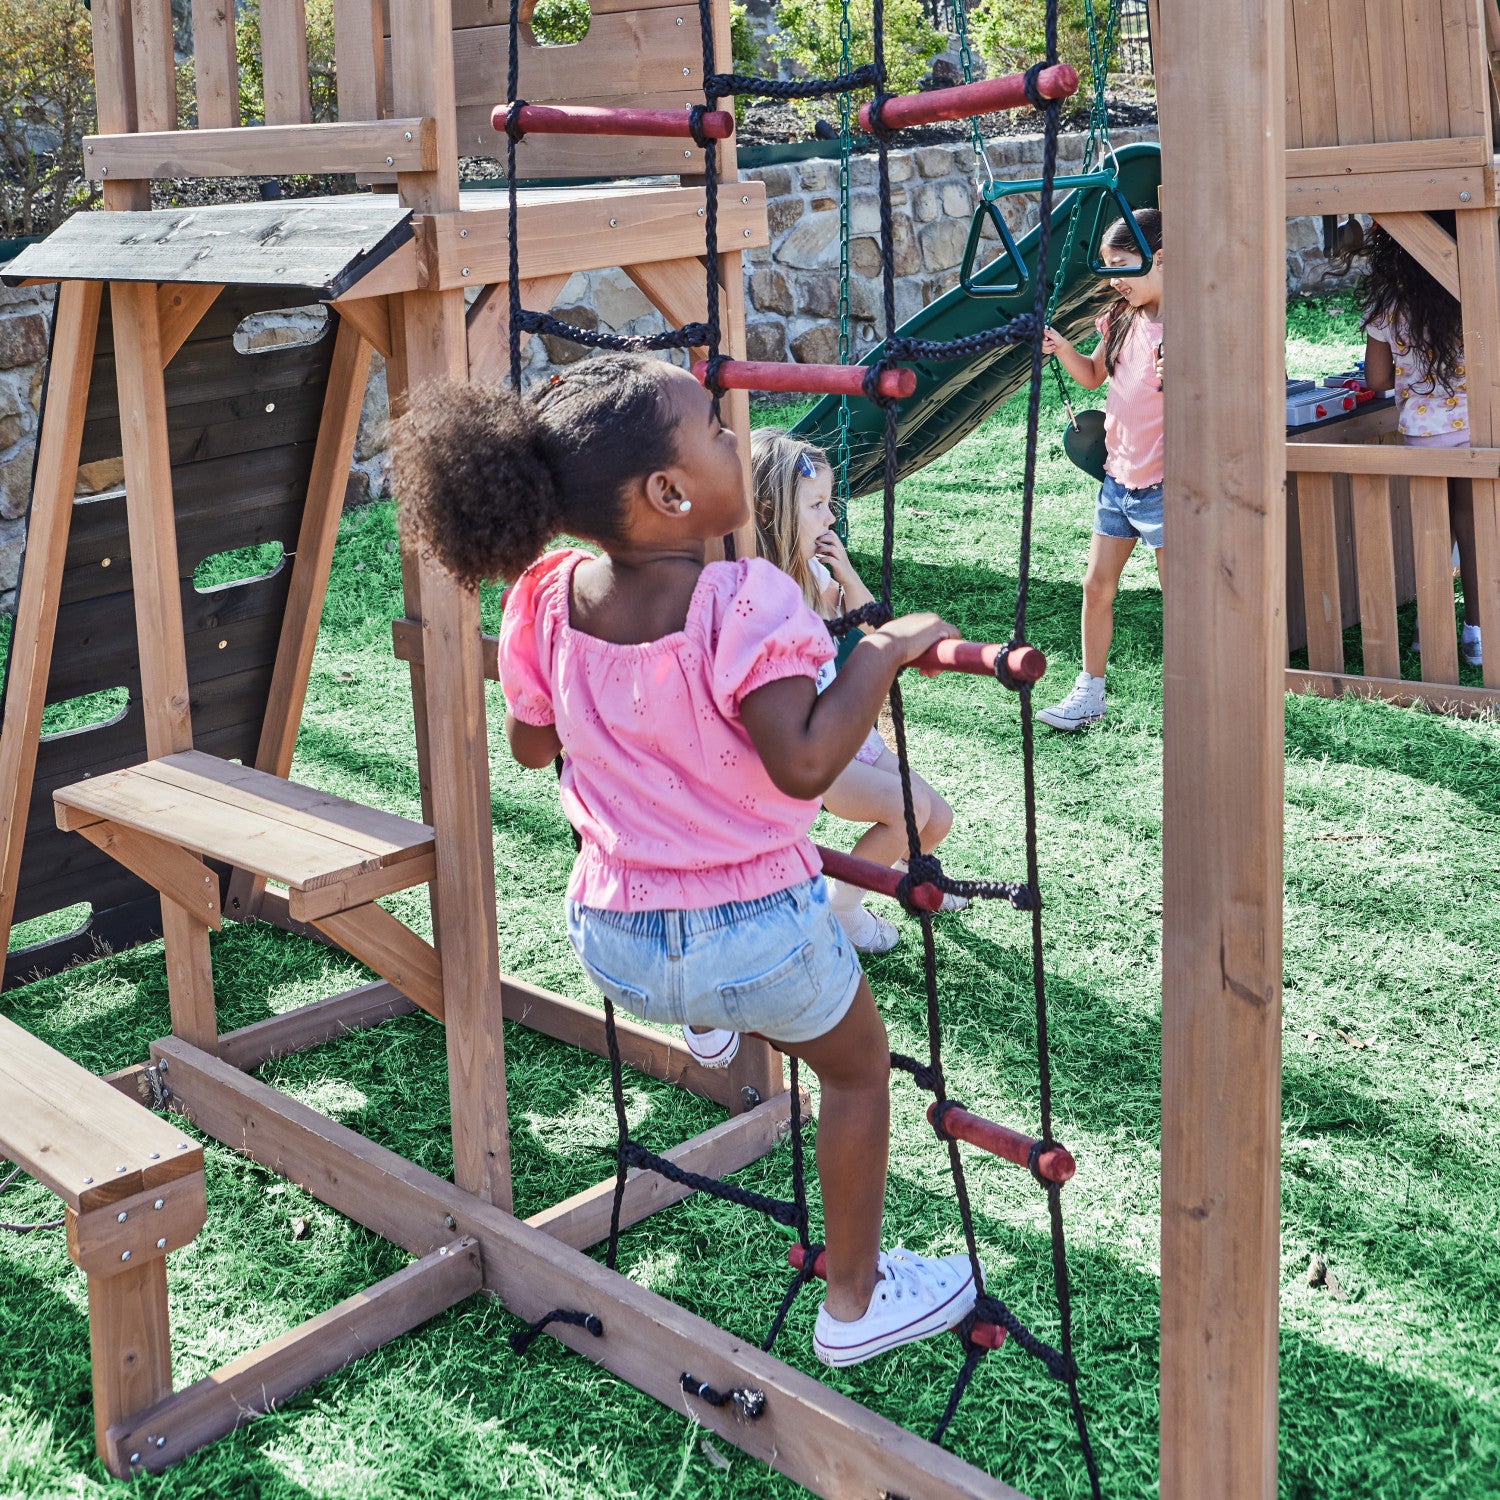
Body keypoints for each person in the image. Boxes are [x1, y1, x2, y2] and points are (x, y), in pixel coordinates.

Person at [393, 355, 979, 1367]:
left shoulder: (545, 597)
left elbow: (532, 745)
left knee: (709, 959)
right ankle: (854, 1303)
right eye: (715, 426)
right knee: (857, 1072)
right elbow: (803, 763)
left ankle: (707, 1020)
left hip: (614, 941)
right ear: (669, 493)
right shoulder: (741, 600)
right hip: (755, 931)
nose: (735, 437)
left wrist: (624, 720)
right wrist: (882, 651)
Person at [750, 429, 968, 956]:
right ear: (770, 511)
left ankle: (895, 866)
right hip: (815, 749)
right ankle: (841, 909)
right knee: (909, 810)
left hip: (854, 735)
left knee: (936, 819)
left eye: (830, 503)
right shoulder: (758, 589)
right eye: (816, 505)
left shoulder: (815, 573)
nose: (830, 518)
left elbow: (877, 628)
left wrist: (845, 573)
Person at [1036, 207, 1165, 731]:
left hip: (1164, 485)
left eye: (1122, 266)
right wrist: (1063, 348)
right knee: (1095, 586)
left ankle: (1196, 692)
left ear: (1160, 258)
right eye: (1108, 267)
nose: (1114, 279)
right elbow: (1093, 376)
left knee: (1179, 599)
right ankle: (1090, 692)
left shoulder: (1188, 329)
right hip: (1118, 480)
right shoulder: (1120, 319)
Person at [1354, 213, 1481, 666]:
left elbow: (1376, 379)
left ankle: (1430, 631)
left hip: (1423, 438)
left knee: (1432, 530)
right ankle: (1477, 633)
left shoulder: (1388, 302)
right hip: (1476, 431)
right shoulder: (1475, 289)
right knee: (1474, 530)